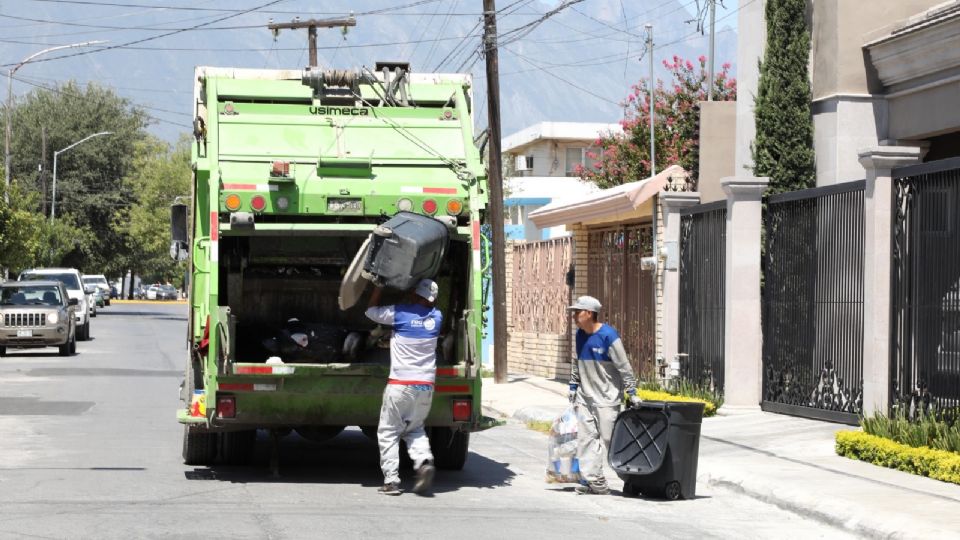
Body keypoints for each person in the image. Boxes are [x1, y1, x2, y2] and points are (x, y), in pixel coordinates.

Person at [365, 278, 442, 496]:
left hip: (400, 384)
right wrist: (412, 295)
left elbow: (370, 312)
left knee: (388, 431)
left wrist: (379, 287)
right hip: (426, 385)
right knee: (414, 428)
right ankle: (423, 462)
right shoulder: (437, 317)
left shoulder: (400, 313)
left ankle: (391, 481)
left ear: (415, 294)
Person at [567, 295, 640, 495]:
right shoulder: (580, 335)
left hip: (607, 399)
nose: (574, 316)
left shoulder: (609, 336)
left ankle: (634, 478)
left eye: (577, 312)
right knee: (586, 440)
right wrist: (573, 385)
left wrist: (632, 391)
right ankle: (595, 482)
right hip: (585, 398)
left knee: (611, 442)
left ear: (589, 314)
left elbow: (624, 367)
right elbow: (577, 361)